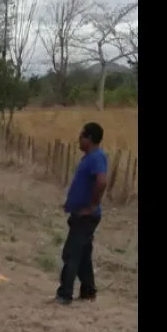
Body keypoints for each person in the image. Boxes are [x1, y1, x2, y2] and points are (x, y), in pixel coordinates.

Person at [55, 122, 108, 305]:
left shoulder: (96, 157)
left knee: (71, 253)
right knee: (84, 255)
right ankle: (88, 292)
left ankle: (64, 294)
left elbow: (101, 182)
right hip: (81, 214)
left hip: (86, 216)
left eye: (81, 136)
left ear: (90, 138)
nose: (79, 139)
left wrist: (92, 206)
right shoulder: (89, 157)